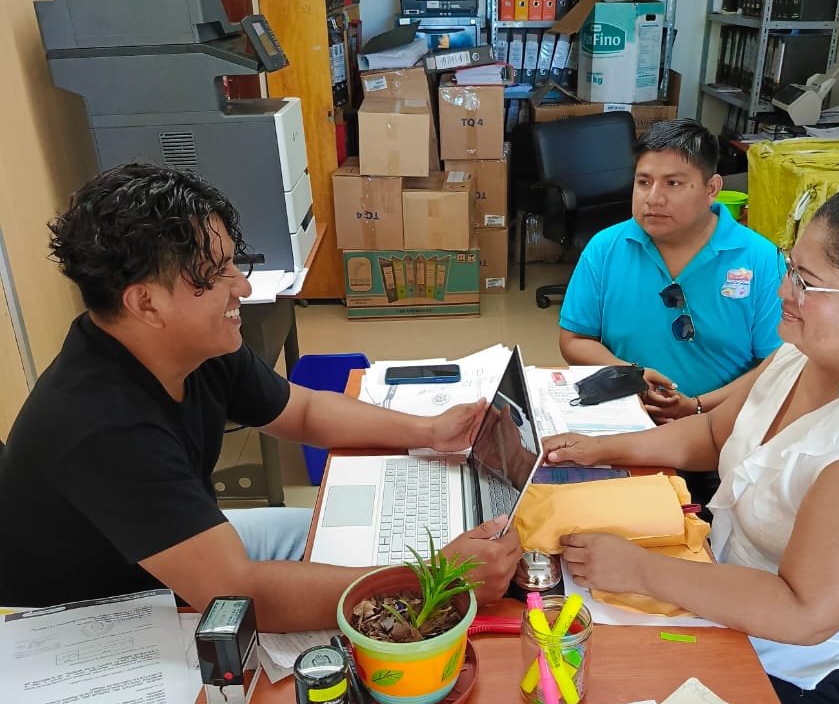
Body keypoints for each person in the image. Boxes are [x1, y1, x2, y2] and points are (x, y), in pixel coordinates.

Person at [544, 184, 839, 704]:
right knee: (567, 647)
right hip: (734, 595)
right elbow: (716, 434)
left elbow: (803, 613)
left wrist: (637, 570)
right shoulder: (804, 351)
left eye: (807, 282)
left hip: (828, 676)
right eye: (791, 268)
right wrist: (600, 448)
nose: (784, 291)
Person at [0, 164, 521, 627]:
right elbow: (237, 596)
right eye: (216, 274)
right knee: (373, 614)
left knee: (357, 544)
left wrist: (427, 431)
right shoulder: (102, 427)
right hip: (90, 614)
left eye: (233, 264)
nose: (243, 289)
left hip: (173, 553)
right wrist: (435, 577)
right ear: (146, 303)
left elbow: (305, 410)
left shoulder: (190, 345)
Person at [557, 118, 784, 424]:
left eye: (672, 183)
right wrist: (631, 375)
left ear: (711, 188)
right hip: (627, 415)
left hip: (721, 425)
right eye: (643, 182)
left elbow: (777, 365)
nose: (653, 198)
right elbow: (574, 340)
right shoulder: (605, 248)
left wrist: (698, 408)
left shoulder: (760, 259)